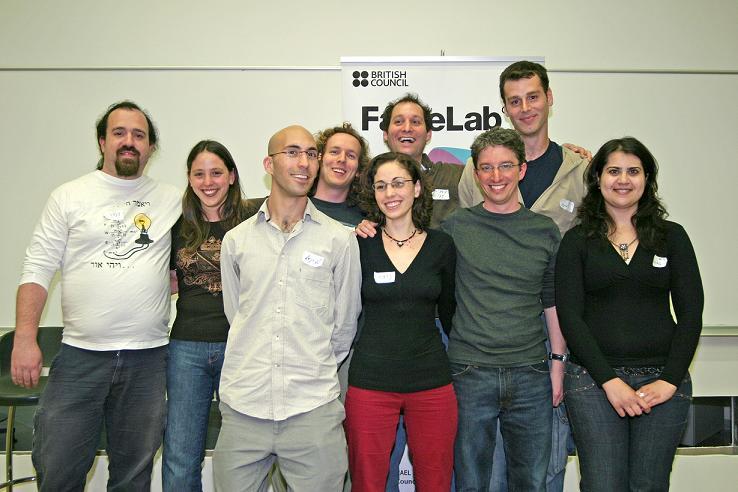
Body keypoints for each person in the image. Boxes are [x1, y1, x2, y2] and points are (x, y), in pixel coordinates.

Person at [11, 101, 181, 490]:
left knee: (133, 475)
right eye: (119, 133)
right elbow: (37, 269)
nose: (129, 142)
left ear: (151, 147)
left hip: (148, 359)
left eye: (139, 135)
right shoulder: (69, 196)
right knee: (58, 469)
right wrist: (25, 338)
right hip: (80, 356)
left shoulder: (172, 199)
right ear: (102, 141)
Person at [457, 59, 589, 492]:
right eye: (515, 101)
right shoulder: (464, 202)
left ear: (549, 99)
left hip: (541, 351)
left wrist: (556, 360)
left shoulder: (580, 171)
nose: (526, 107)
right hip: (476, 357)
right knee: (478, 475)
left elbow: (558, 287)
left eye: (533, 97)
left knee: (542, 469)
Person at [213, 125, 362, 491]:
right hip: (245, 406)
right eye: (293, 152)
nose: (305, 162)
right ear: (269, 163)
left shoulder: (338, 240)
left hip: (311, 408)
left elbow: (343, 328)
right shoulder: (236, 241)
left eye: (312, 153)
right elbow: (238, 315)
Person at [555, 137, 703, 492]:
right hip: (594, 383)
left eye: (633, 171)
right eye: (613, 171)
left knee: (649, 485)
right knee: (603, 484)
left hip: (662, 384)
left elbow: (691, 313)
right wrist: (610, 381)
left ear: (647, 178)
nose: (623, 180)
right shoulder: (577, 241)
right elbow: (570, 317)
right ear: (598, 179)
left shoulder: (673, 237)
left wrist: (670, 379)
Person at [441, 128, 565, 491]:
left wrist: (557, 362)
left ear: (522, 169)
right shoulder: (455, 227)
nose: (497, 177)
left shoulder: (544, 230)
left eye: (506, 166)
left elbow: (550, 299)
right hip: (469, 371)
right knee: (471, 482)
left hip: (530, 372)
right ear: (475, 173)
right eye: (487, 168)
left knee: (531, 481)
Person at [345, 152, 457, 492]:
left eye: (398, 183)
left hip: (431, 382)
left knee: (436, 481)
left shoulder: (442, 245)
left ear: (417, 189)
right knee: (367, 482)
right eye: (381, 186)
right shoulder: (359, 245)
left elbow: (451, 314)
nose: (390, 193)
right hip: (370, 382)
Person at [162, 140, 259, 491]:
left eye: (216, 172)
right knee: (180, 455)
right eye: (199, 174)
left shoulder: (254, 221)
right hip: (186, 349)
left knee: (247, 454)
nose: (208, 182)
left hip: (240, 348)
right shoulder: (176, 226)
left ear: (231, 176)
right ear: (189, 179)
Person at [380, 93, 464, 229]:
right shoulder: (370, 178)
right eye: (398, 122)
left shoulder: (457, 176)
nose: (407, 128)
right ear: (385, 134)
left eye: (415, 122)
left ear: (428, 134)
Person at [311, 122, 370, 228]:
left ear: (359, 170)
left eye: (351, 156)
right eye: (334, 152)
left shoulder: (366, 223)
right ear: (319, 158)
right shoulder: (297, 207)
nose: (342, 159)